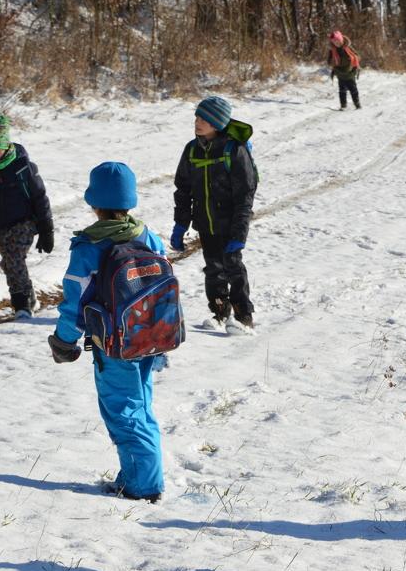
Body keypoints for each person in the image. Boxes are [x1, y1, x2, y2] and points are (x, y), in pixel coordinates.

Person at [47, 162, 166, 503]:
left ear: (94, 202)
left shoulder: (89, 247)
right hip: (150, 337)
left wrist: (64, 340)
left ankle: (142, 486)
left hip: (113, 346)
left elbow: (75, 303)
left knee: (124, 412)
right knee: (140, 406)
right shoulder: (147, 236)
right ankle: (141, 475)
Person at [171, 95, 258, 335]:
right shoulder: (192, 149)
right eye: (197, 118)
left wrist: (239, 233)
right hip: (205, 223)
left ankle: (244, 317)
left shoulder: (234, 149)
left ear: (217, 124)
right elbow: (183, 190)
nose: (197, 123)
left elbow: (245, 194)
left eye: (204, 120)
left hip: (230, 223)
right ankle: (220, 312)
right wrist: (180, 224)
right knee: (213, 269)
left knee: (233, 267)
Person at [0, 112, 53, 318]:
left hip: (23, 223)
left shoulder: (23, 168)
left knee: (14, 260)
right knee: (10, 263)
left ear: (6, 144)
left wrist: (46, 228)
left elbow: (40, 197)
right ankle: (29, 295)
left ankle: (21, 305)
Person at [327, 30, 362, 110]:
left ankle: (357, 103)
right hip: (340, 73)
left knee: (353, 89)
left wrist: (352, 59)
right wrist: (333, 61)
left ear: (342, 40)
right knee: (342, 90)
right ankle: (343, 105)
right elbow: (329, 61)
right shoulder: (333, 50)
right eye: (335, 42)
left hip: (350, 72)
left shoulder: (348, 48)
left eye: (338, 41)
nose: (337, 43)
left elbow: (357, 56)